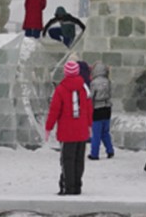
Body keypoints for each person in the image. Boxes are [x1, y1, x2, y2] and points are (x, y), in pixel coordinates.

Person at [45, 59, 93, 196]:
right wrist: (89, 125)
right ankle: (77, 185)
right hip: (82, 130)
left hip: (67, 132)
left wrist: (49, 127)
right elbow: (89, 109)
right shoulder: (84, 88)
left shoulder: (61, 89)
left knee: (67, 160)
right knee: (79, 160)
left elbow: (54, 111)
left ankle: (68, 187)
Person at [88, 60, 114, 160]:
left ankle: (94, 154)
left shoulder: (94, 83)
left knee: (96, 133)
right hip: (107, 108)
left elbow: (91, 97)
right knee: (105, 131)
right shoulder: (108, 81)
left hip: (97, 109)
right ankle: (110, 150)